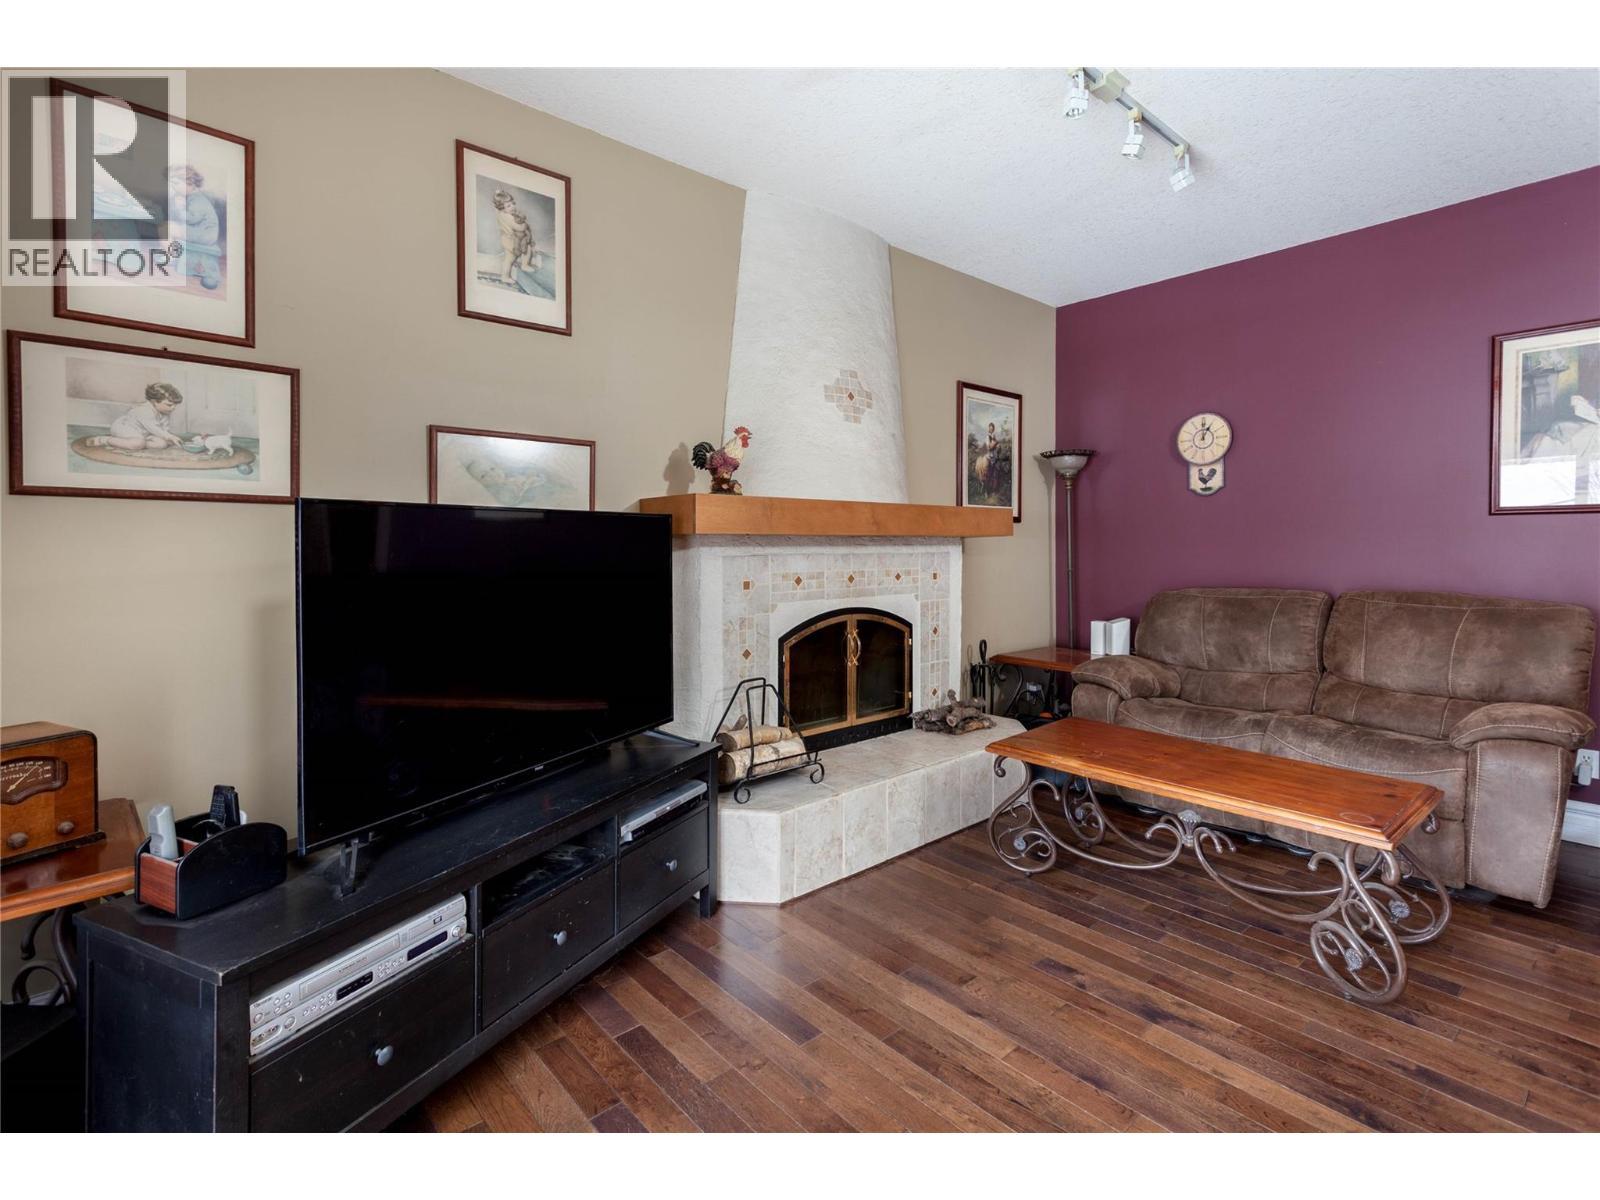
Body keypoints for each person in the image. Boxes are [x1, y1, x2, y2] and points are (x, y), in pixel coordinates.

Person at [86, 382, 186, 452]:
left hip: (143, 432)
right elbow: (154, 428)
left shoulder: (165, 412)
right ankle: (105, 440)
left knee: (162, 444)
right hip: (124, 427)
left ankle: (139, 442)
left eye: (175, 405)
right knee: (138, 443)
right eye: (169, 404)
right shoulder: (144, 410)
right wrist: (169, 436)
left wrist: (168, 437)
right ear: (154, 401)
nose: (173, 408)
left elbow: (164, 429)